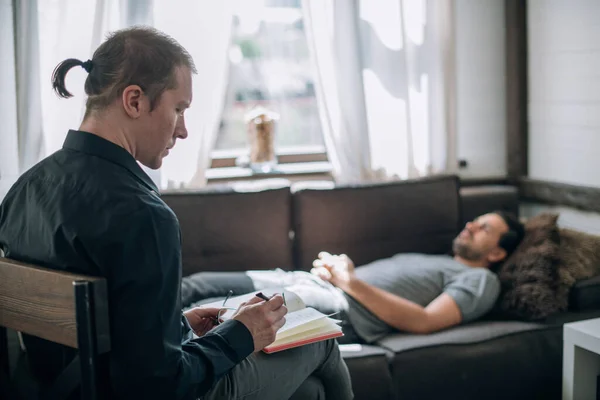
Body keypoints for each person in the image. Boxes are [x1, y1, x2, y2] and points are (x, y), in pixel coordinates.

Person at [0, 27, 352, 400]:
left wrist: (177, 326)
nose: (183, 130)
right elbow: (161, 386)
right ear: (134, 101)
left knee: (309, 392)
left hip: (61, 389)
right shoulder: (144, 216)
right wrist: (239, 335)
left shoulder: (23, 190)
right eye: (179, 109)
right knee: (321, 343)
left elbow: (98, 335)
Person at [181, 212, 525, 344]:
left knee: (207, 312)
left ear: (497, 253)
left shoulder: (481, 281)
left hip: (340, 305)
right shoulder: (438, 260)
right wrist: (338, 271)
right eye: (474, 221)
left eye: (484, 229)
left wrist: (348, 281)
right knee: (195, 284)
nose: (470, 226)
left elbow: (425, 321)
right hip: (314, 282)